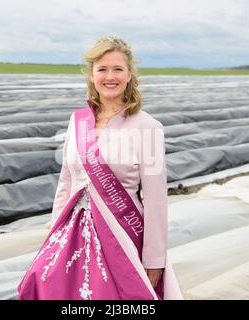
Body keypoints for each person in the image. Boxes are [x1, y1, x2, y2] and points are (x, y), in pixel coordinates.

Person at [18, 36, 183, 300]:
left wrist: (154, 259)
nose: (110, 76)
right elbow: (66, 181)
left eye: (118, 69)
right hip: (72, 234)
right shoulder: (78, 121)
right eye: (102, 69)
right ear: (92, 75)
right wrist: (53, 234)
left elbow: (156, 200)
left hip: (121, 236)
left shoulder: (148, 127)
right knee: (45, 284)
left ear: (129, 75)